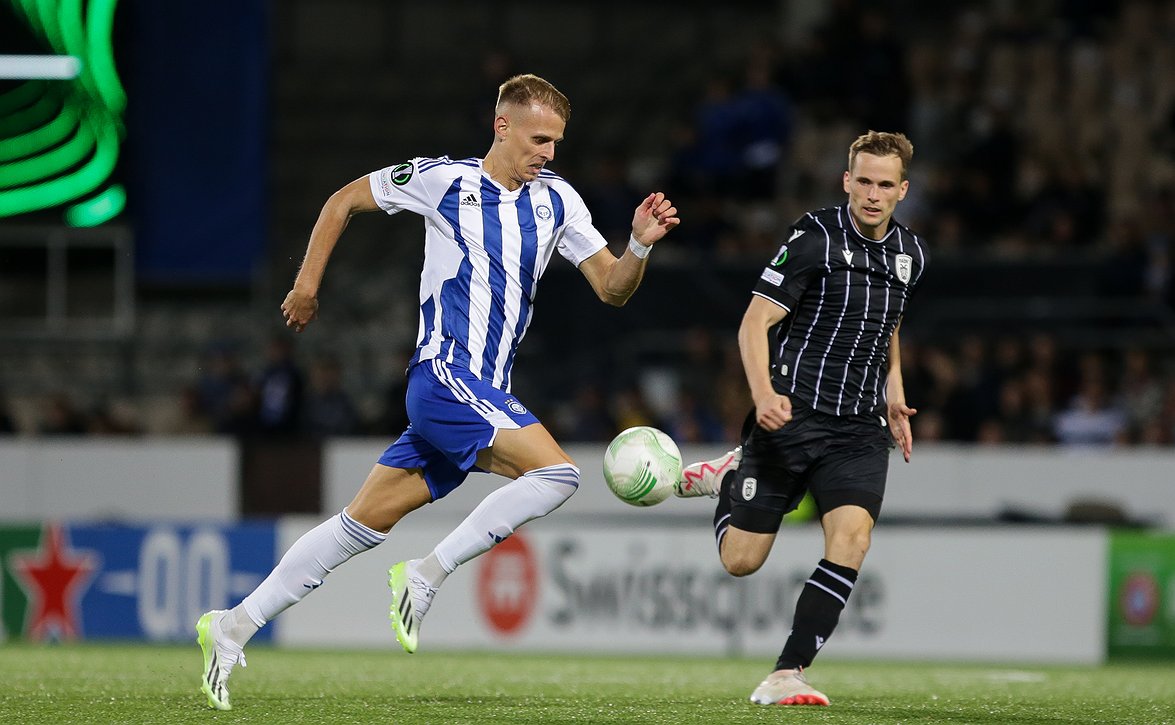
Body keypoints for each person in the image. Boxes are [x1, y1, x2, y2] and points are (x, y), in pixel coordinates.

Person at [195, 73, 679, 711]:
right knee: (559, 475)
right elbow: (342, 201)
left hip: (480, 391)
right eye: (539, 139)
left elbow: (612, 288)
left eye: (556, 142)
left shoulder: (559, 202)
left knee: (359, 525)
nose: (549, 153)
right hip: (445, 375)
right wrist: (307, 285)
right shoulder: (443, 180)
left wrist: (638, 244)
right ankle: (427, 573)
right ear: (502, 127)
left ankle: (232, 625)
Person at [674, 131, 927, 707]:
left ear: (903, 191)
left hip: (859, 429)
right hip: (791, 415)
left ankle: (787, 672)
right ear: (847, 181)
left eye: (885, 185)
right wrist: (763, 394)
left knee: (853, 539)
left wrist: (894, 392)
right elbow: (753, 323)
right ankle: (729, 479)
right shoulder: (815, 237)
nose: (873, 194)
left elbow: (888, 323)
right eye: (864, 181)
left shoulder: (912, 255)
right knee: (741, 561)